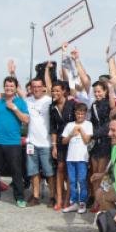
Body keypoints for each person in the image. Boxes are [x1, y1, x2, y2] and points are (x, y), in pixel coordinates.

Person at [0, 76, 30, 207]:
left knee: (16, 171)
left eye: (11, 86)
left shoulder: (20, 102)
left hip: (13, 142)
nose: (9, 88)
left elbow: (26, 120)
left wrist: (14, 108)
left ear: (16, 88)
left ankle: (19, 197)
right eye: (7, 86)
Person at [18, 59, 55, 207]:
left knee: (49, 172)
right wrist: (13, 73)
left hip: (45, 143)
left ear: (43, 88)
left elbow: (51, 87)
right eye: (34, 87)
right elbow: (19, 92)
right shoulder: (27, 101)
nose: (36, 89)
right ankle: (36, 196)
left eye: (39, 87)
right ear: (31, 88)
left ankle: (53, 197)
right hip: (31, 142)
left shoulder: (48, 100)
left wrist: (47, 70)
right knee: (33, 171)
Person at [50, 81, 77, 211]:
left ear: (64, 91)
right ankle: (59, 198)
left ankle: (68, 198)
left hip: (73, 140)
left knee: (69, 169)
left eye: (57, 91)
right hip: (60, 140)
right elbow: (53, 128)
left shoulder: (72, 104)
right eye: (53, 91)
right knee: (60, 168)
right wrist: (54, 146)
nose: (55, 93)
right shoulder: (52, 106)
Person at [61, 103, 93, 213]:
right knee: (72, 180)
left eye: (82, 114)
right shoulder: (69, 125)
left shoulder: (88, 124)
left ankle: (82, 202)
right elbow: (64, 141)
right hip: (71, 157)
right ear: (75, 113)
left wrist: (80, 129)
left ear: (85, 114)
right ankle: (74, 202)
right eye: (78, 114)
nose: (80, 116)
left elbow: (87, 140)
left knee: (82, 180)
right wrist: (71, 134)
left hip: (82, 157)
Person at [88, 79, 114, 212]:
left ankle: (101, 200)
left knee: (101, 171)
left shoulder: (108, 103)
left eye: (99, 91)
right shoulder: (93, 105)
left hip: (105, 139)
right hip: (95, 140)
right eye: (95, 92)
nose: (97, 94)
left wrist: (111, 89)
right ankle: (95, 202)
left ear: (105, 91)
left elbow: (113, 107)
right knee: (94, 171)